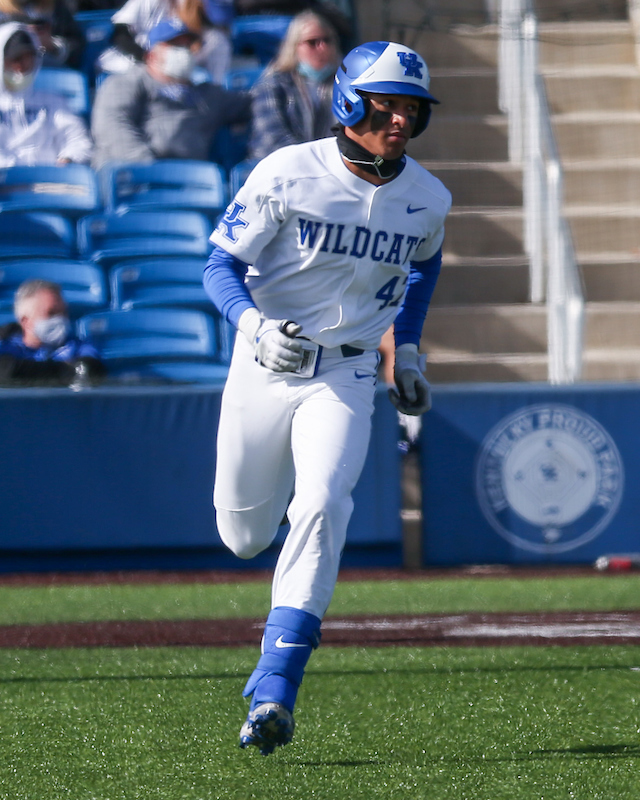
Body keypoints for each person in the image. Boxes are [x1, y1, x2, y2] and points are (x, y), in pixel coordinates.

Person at [203, 41, 450, 755]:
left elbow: (423, 270)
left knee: (322, 502)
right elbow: (220, 265)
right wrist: (254, 326)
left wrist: (408, 352)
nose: (400, 119)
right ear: (348, 102)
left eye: (411, 108)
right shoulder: (288, 170)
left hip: (346, 373)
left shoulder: (429, 196)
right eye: (386, 104)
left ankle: (277, 685)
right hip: (265, 363)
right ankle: (274, 659)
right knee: (243, 536)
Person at [90, 16, 250, 169]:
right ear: (151, 55)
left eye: (187, 46)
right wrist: (148, 167)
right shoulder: (126, 83)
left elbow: (252, 103)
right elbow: (112, 128)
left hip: (192, 179)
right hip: (133, 174)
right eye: (175, 45)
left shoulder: (207, 95)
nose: (184, 52)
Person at [0, 24, 94, 175]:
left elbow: (77, 139)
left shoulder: (54, 102)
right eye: (15, 59)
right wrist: (23, 176)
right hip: (2, 184)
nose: (22, 66)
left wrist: (69, 159)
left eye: (29, 57)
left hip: (54, 180)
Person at [247, 11, 339, 161]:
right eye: (312, 42)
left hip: (328, 164)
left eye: (326, 40)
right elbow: (274, 139)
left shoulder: (342, 84)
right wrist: (316, 162)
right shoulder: (272, 85)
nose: (322, 48)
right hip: (281, 165)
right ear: (294, 47)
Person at [0, 279, 105, 386]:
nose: (60, 319)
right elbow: (5, 371)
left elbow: (90, 369)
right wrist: (66, 369)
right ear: (25, 321)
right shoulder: (7, 347)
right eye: (51, 313)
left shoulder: (79, 346)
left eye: (64, 312)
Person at [98, 0, 234, 85]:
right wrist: (145, 58)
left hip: (173, 67)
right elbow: (120, 33)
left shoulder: (214, 38)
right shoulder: (149, 2)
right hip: (136, 62)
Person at [0, 0, 84, 83]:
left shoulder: (53, 5)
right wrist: (3, 41)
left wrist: (52, 45)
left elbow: (77, 47)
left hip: (48, 84)